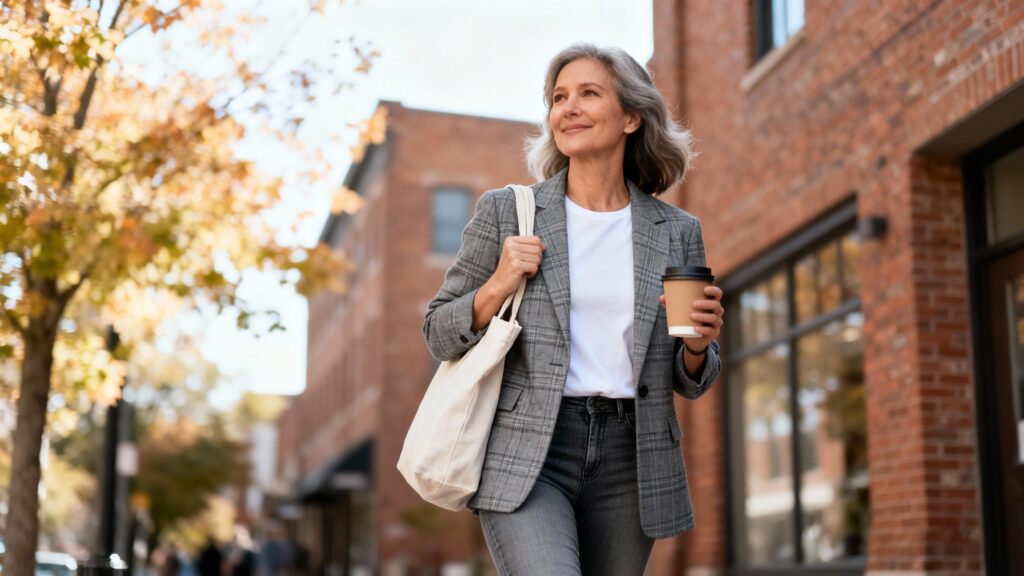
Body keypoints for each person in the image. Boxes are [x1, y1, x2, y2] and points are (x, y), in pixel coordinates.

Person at [422, 43, 725, 576]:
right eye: (559, 97)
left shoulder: (677, 231)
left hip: (633, 456)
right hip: (531, 449)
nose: (568, 108)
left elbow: (690, 380)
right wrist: (497, 284)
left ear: (632, 116)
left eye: (589, 93)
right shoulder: (509, 212)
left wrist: (698, 346)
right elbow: (438, 333)